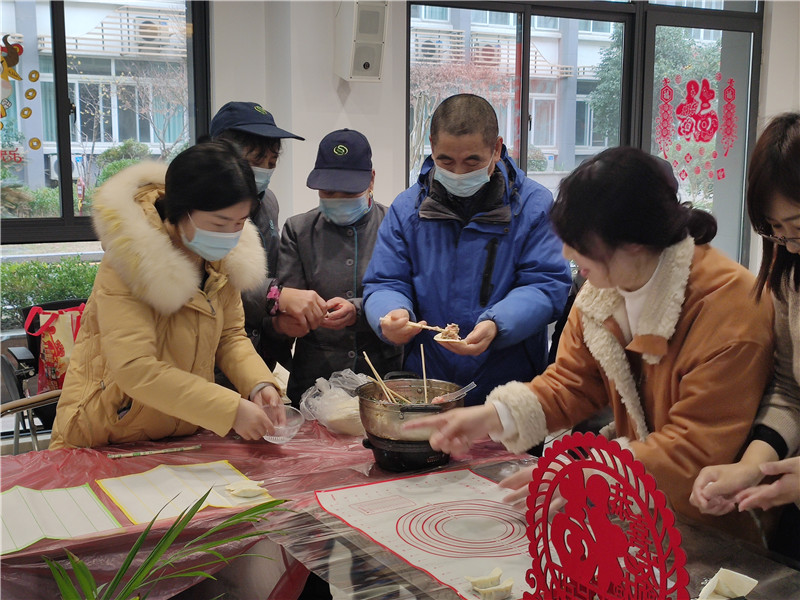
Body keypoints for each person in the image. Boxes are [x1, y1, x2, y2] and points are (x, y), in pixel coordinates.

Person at [405, 146, 775, 542]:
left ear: (633, 241)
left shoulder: (729, 305)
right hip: (636, 511)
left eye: (580, 243)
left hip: (715, 526)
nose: (567, 254)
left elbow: (695, 449)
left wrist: (586, 475)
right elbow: (570, 384)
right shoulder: (602, 291)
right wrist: (491, 417)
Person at [49, 140, 285, 449]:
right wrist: (230, 409)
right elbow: (135, 368)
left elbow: (230, 337)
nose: (231, 235)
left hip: (175, 434)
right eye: (219, 223)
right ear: (181, 210)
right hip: (104, 437)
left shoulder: (220, 262)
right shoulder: (131, 260)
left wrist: (259, 383)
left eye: (240, 223)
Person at [362, 94, 572, 405]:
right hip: (428, 384)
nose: (458, 173)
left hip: (508, 386)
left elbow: (546, 285)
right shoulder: (407, 209)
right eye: (446, 161)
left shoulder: (533, 206)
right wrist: (390, 313)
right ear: (432, 146)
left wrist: (497, 323)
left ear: (496, 149)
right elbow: (385, 281)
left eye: (472, 161)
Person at [690, 112, 800, 559]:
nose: (790, 245)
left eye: (798, 226)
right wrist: (752, 466)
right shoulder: (789, 278)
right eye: (776, 231)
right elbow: (790, 389)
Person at [277, 129, 402, 405]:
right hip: (315, 379)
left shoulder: (394, 225)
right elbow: (285, 300)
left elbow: (407, 294)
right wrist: (296, 317)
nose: (339, 198)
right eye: (329, 192)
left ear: (371, 179)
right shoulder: (298, 230)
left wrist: (358, 310)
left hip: (382, 377)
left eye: (349, 191)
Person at [210, 101, 327, 370]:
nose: (264, 170)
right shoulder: (201, 209)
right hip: (213, 354)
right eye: (255, 161)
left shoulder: (268, 202)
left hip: (256, 354)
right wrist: (275, 297)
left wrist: (277, 322)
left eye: (271, 162)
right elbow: (211, 281)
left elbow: (269, 270)